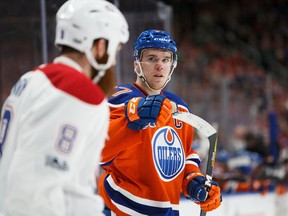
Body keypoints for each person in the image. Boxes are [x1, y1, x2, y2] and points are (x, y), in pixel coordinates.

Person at [0, 0, 129, 215]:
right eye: (114, 50)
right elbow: (35, 189)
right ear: (100, 46)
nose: (113, 61)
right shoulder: (76, 91)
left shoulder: (32, 79)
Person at [98, 29, 221, 215]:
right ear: (137, 64)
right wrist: (133, 118)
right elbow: (98, 151)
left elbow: (185, 154)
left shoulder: (180, 108)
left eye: (165, 59)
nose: (160, 66)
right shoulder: (118, 99)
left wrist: (192, 180)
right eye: (152, 58)